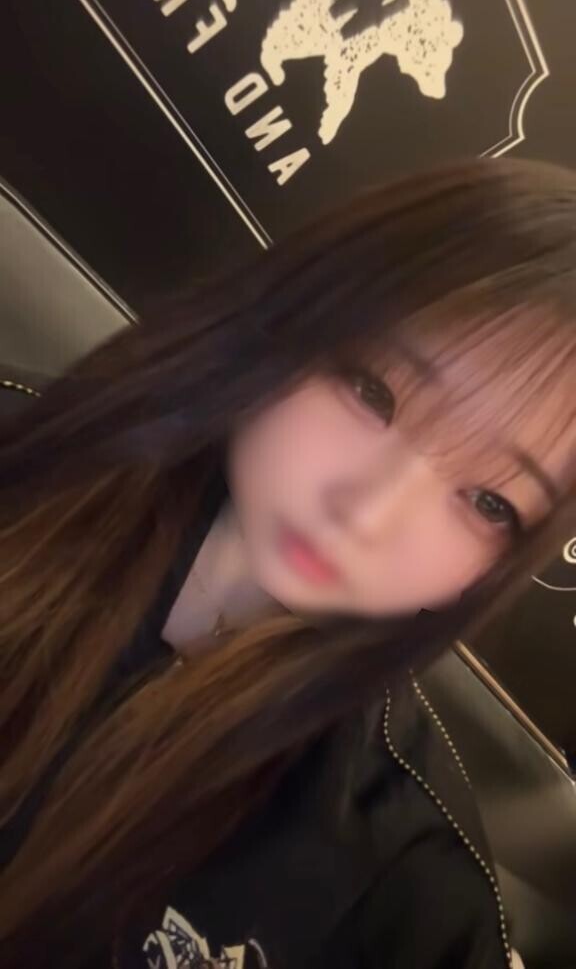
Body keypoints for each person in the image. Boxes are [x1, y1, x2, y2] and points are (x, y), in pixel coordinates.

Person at [0, 158, 575, 969]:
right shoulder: (24, 465)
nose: (368, 516)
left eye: (488, 501)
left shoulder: (404, 875)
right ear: (292, 321)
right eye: (372, 392)